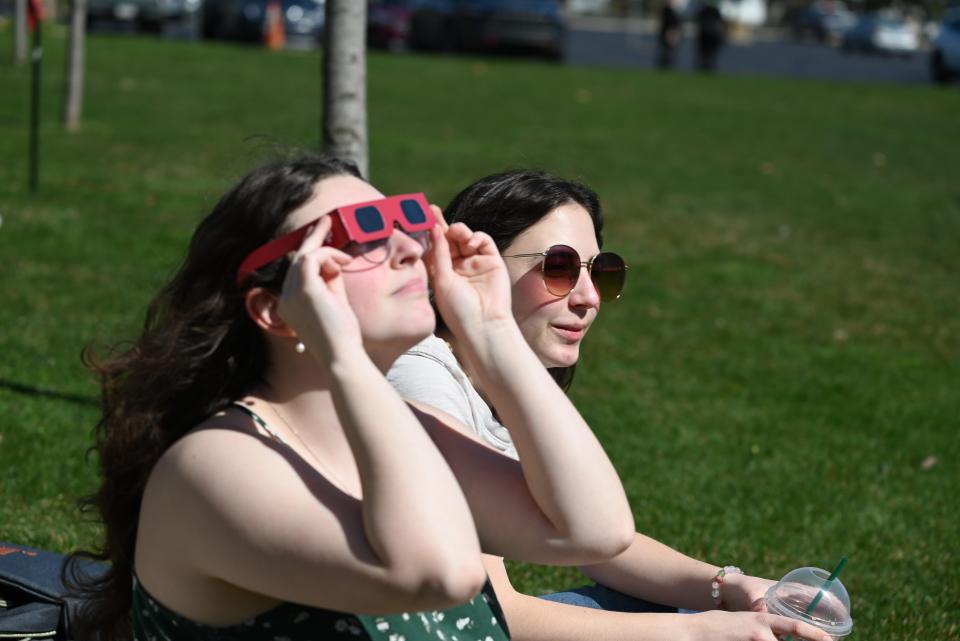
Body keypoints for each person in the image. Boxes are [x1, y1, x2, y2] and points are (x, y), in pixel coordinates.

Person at [65, 155, 639, 641]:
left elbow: (593, 528)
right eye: (360, 235)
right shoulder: (214, 465)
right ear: (274, 307)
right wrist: (342, 355)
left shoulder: (395, 430)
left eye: (406, 225)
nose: (411, 250)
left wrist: (489, 329)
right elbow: (441, 573)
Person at [388, 169, 834, 641]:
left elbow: (587, 541)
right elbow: (496, 618)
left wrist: (726, 586)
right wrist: (704, 631)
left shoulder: (506, 380)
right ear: (471, 265)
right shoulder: (423, 382)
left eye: (600, 272)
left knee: (678, 605)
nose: (588, 298)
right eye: (557, 268)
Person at [695, 0, 726, 72]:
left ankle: (706, 68)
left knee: (707, 55)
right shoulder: (714, 11)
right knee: (708, 56)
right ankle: (707, 68)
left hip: (708, 36)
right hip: (709, 36)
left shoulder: (705, 11)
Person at [657, 0, 683, 70]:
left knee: (669, 55)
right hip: (667, 35)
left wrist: (675, 34)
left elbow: (676, 25)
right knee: (666, 55)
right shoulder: (666, 11)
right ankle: (665, 69)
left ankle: (668, 69)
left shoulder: (673, 11)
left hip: (670, 36)